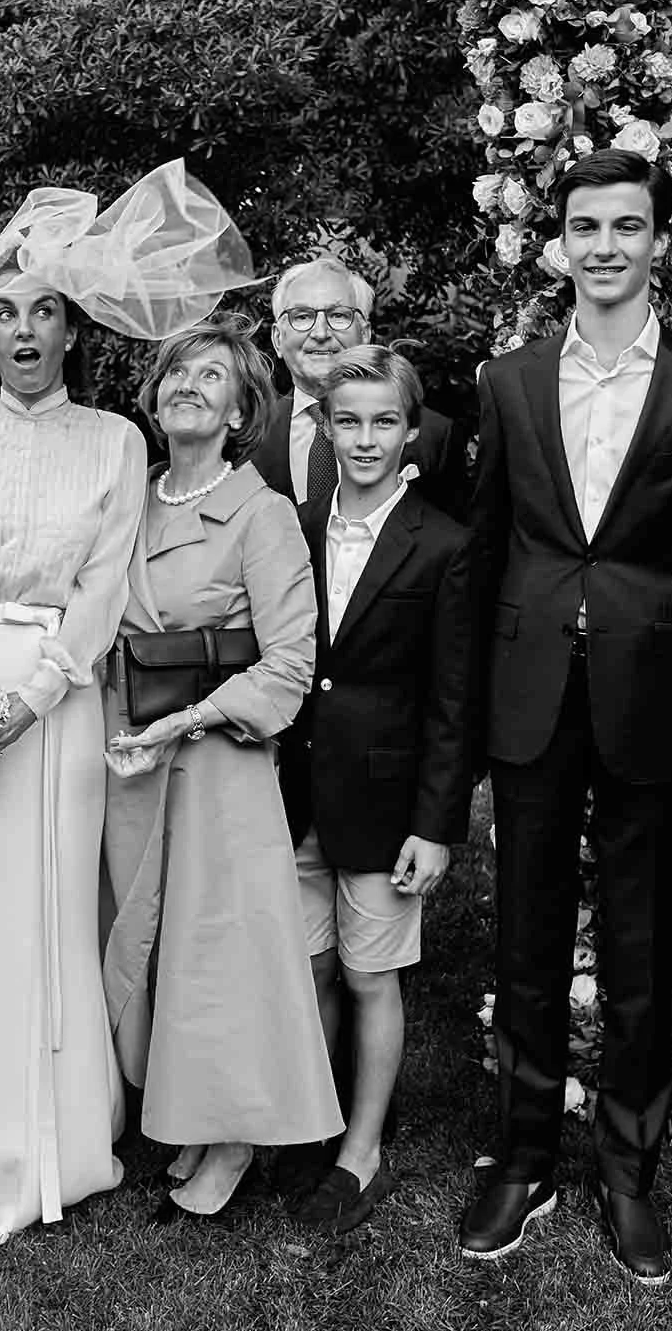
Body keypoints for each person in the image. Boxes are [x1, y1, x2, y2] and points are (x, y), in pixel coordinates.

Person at [0, 160, 258, 1242]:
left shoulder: (115, 441)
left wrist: (30, 700)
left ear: (71, 328)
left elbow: (102, 587)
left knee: (47, 907)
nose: (20, 334)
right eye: (1, 314)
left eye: (41, 312)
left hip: (57, 699)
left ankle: (52, 1125)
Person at [461, 149, 672, 1285]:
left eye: (624, 227)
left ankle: (628, 1176)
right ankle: (523, 1161)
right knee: (526, 945)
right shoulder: (509, 380)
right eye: (583, 226)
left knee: (641, 953)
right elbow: (489, 549)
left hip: (656, 700)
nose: (602, 246)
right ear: (555, 243)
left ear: (657, 242)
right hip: (531, 696)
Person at [98, 314, 339, 1223]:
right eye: (175, 375)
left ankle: (236, 1132)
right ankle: (186, 1114)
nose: (189, 387)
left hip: (221, 763)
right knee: (152, 940)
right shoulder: (129, 499)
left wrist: (189, 720)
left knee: (222, 951)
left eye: (212, 377)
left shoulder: (262, 512)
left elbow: (288, 665)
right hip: (134, 762)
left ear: (244, 409)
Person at [273, 344, 472, 1235]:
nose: (365, 437)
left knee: (368, 971)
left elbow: (453, 702)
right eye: (346, 420)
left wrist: (435, 823)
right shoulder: (293, 520)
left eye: (383, 420)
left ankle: (363, 1149)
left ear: (411, 429)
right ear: (321, 425)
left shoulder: (444, 543)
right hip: (295, 788)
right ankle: (308, 1122)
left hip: (387, 800)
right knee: (309, 962)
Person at [252, 256, 462, 516]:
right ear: (277, 339)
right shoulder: (247, 437)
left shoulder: (432, 436)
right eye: (302, 316)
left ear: (365, 334)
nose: (320, 333)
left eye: (338, 316)